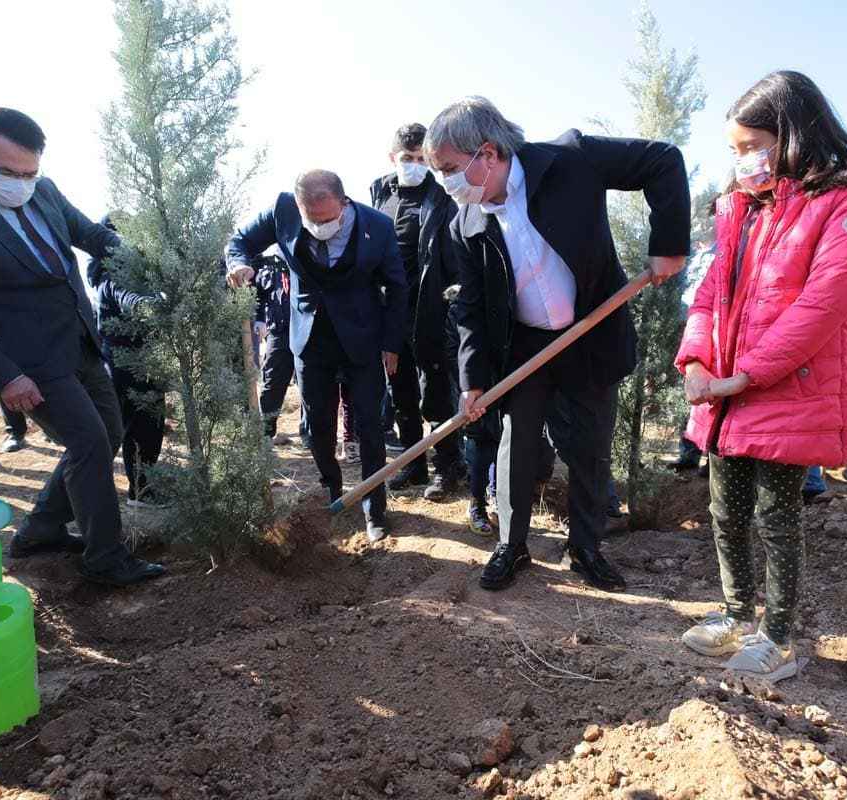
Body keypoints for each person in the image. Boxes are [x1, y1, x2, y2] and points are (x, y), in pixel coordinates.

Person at [425, 96, 689, 591]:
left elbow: (662, 159)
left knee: (589, 448)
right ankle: (512, 543)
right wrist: (473, 380)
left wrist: (668, 244)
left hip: (591, 331)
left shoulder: (571, 159)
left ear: (487, 153)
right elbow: (472, 308)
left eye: (449, 168)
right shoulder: (466, 222)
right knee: (516, 443)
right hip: (524, 346)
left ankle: (585, 549)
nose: (445, 182)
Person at [676, 71, 847, 683]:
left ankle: (779, 636)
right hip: (724, 393)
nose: (742, 160)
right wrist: (695, 358)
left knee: (777, 515)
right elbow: (711, 290)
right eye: (734, 149)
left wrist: (744, 375)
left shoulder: (845, 207)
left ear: (792, 136)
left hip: (785, 389)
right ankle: (737, 614)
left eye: (751, 146)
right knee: (724, 510)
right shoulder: (742, 211)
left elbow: (823, 308)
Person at [0, 107, 164, 587]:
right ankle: (105, 558)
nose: (21, 183)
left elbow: (92, 236)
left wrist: (152, 262)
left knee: (109, 428)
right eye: (7, 172)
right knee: (87, 442)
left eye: (30, 171)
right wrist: (3, 376)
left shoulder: (43, 191)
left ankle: (41, 529)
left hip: (79, 343)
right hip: (26, 361)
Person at [226, 171, 408, 543]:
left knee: (371, 426)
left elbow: (397, 287)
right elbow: (240, 241)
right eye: (312, 220)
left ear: (343, 203)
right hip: (310, 341)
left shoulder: (378, 226)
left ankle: (375, 507)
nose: (320, 227)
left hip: (362, 338)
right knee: (317, 427)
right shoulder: (282, 211)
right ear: (299, 208)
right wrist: (238, 263)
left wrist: (392, 343)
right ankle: (333, 493)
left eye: (327, 220)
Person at [371, 123, 465, 500]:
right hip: (392, 312)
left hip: (432, 309)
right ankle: (413, 465)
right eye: (406, 158)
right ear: (393, 158)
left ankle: (447, 468)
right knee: (401, 392)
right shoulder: (381, 194)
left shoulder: (443, 195)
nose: (413, 165)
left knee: (436, 392)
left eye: (420, 159)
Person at [88, 216, 166, 507]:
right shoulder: (113, 276)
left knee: (148, 431)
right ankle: (87, 497)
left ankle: (142, 490)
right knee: (118, 433)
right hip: (122, 369)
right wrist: (158, 304)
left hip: (145, 367)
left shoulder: (137, 274)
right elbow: (130, 299)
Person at [252, 254, 294, 444]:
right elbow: (258, 291)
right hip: (279, 329)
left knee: (313, 384)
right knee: (273, 381)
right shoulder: (266, 262)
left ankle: (311, 436)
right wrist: (259, 319)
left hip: (309, 330)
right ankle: (266, 434)